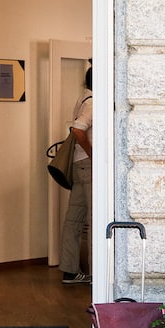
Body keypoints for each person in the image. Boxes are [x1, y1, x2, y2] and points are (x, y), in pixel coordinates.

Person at [60, 65, 92, 284]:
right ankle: (95, 275)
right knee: (95, 219)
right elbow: (78, 129)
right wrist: (94, 154)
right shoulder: (94, 102)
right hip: (88, 166)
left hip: (78, 165)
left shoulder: (82, 99)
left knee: (74, 219)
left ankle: (70, 271)